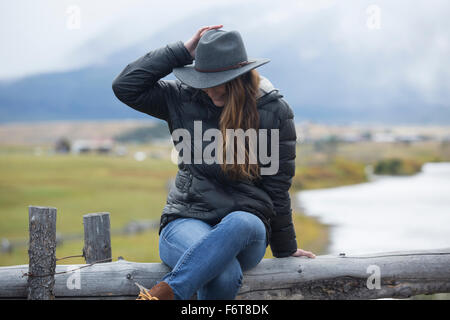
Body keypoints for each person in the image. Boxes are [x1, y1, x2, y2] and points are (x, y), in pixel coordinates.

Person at [112, 25, 316, 300]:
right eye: (202, 80)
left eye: (215, 82)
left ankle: (163, 295)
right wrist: (182, 51)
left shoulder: (273, 112)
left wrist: (285, 248)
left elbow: (277, 188)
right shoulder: (182, 98)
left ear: (239, 77)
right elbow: (125, 86)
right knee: (225, 274)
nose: (207, 90)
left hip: (247, 230)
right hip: (187, 219)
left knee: (241, 222)